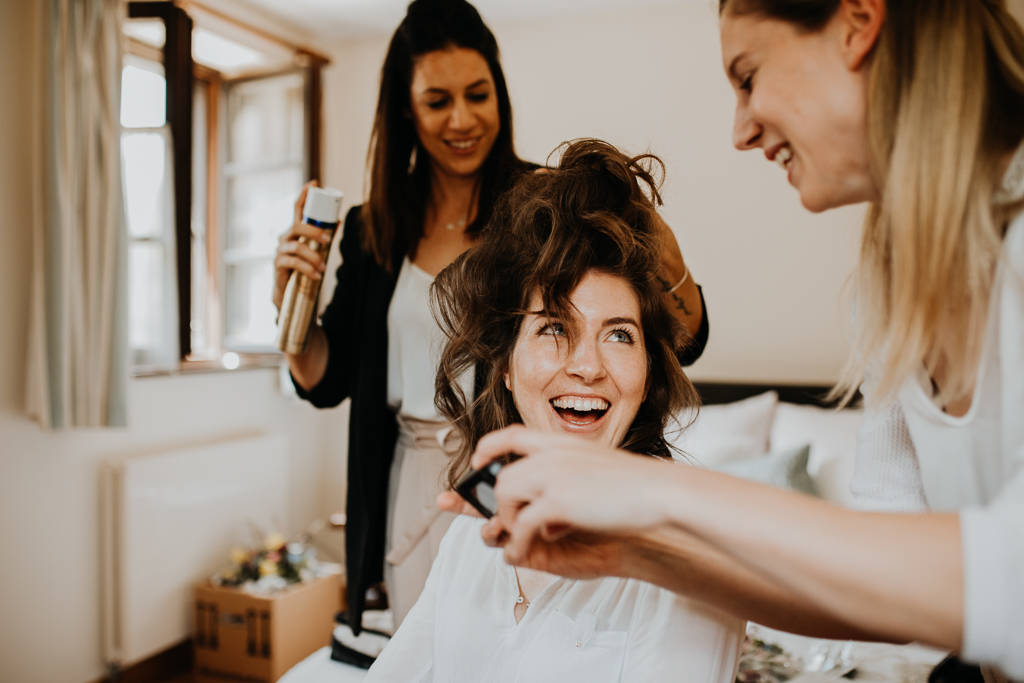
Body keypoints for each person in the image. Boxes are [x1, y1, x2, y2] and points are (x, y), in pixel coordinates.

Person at [441, 0, 1024, 678]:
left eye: (747, 77)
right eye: (553, 330)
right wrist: (633, 552)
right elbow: (882, 582)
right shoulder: (886, 291)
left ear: (859, 23)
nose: (741, 131)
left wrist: (652, 493)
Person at [273, 0, 708, 631]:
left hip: (512, 462)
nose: (462, 119)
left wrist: (668, 255)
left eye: (478, 95)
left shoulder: (536, 205)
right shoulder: (373, 228)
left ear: (499, 94)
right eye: (437, 101)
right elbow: (326, 379)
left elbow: (682, 338)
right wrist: (291, 305)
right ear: (405, 109)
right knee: (427, 643)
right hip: (407, 476)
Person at [364, 139, 743, 682]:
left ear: (647, 375)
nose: (587, 366)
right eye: (553, 328)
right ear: (505, 366)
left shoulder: (689, 563)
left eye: (619, 334)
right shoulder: (472, 530)